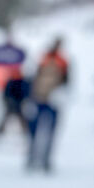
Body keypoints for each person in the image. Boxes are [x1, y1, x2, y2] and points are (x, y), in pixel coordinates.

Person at [26, 38, 70, 172]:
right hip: (39, 100)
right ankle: (32, 157)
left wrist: (60, 95)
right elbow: (32, 79)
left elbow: (66, 81)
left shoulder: (63, 61)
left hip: (52, 101)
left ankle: (45, 159)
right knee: (34, 131)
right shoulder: (42, 59)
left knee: (50, 132)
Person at [0, 62, 29, 145]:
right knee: (3, 123)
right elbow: (5, 94)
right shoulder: (10, 81)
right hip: (11, 105)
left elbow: (25, 94)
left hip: (19, 106)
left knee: (23, 124)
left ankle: (29, 140)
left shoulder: (22, 81)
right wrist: (9, 103)